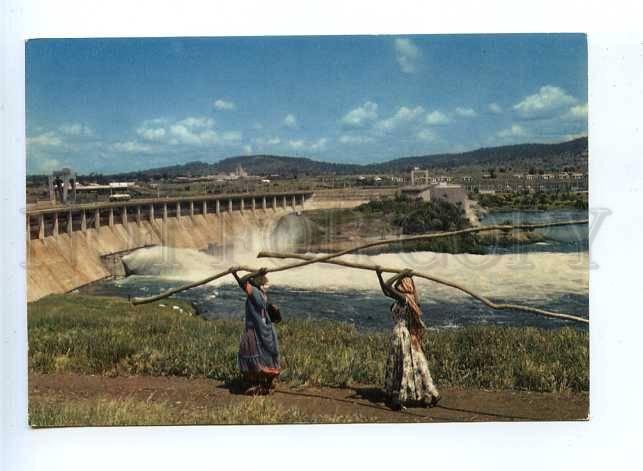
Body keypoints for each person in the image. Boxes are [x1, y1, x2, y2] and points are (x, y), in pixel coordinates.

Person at [375, 267, 441, 410]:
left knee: (402, 364)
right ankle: (426, 394)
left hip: (401, 334)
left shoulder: (405, 299)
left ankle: (399, 396)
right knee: (407, 364)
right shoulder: (405, 299)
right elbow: (385, 290)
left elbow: (388, 285)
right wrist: (378, 274)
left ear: (404, 285)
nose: (398, 284)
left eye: (401, 282)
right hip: (401, 334)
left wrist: (402, 274)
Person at [230, 267, 281, 395]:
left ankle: (265, 384)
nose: (266, 286)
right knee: (255, 358)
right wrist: (255, 273)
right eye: (264, 284)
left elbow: (270, 314)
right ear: (259, 283)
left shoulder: (262, 295)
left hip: (265, 329)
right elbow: (243, 281)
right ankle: (257, 384)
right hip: (255, 330)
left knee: (267, 356)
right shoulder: (253, 292)